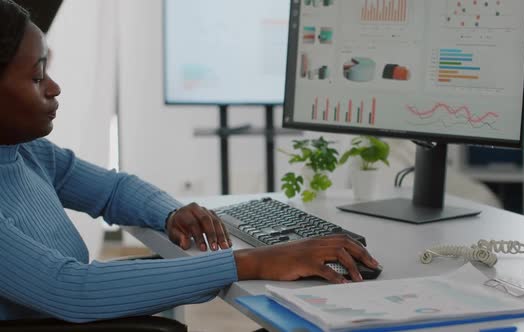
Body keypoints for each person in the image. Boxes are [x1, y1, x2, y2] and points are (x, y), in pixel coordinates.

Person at [0, 0, 380, 324]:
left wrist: (171, 213)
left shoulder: (28, 152)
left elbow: (114, 190)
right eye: (37, 77)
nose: (54, 86)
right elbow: (72, 290)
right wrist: (250, 262)